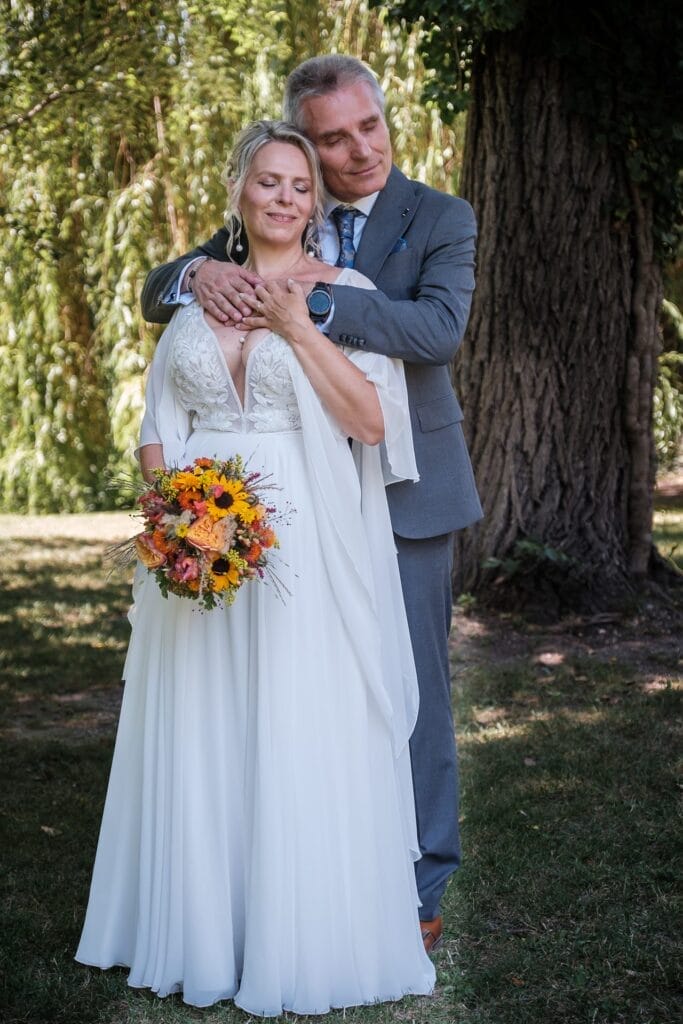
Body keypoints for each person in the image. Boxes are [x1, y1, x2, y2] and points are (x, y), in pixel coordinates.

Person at [76, 120, 436, 1013]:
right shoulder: (199, 295)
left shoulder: (343, 291)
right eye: (268, 182)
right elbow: (159, 422)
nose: (284, 197)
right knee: (204, 717)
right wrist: (172, 523)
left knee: (292, 714)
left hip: (303, 536)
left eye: (300, 186)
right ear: (240, 190)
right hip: (196, 538)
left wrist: (296, 328)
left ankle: (299, 930)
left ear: (316, 203)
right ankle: (205, 927)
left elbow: (369, 422)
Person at [142, 55, 483, 951]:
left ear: (383, 116)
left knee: (404, 695)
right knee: (291, 689)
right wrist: (197, 276)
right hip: (282, 498)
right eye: (333, 137)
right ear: (307, 147)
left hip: (403, 492)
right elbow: (161, 291)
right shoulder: (283, 209)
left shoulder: (438, 217)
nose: (358, 148)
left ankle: (416, 889)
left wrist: (310, 308)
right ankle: (286, 871)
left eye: (367, 126)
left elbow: (437, 331)